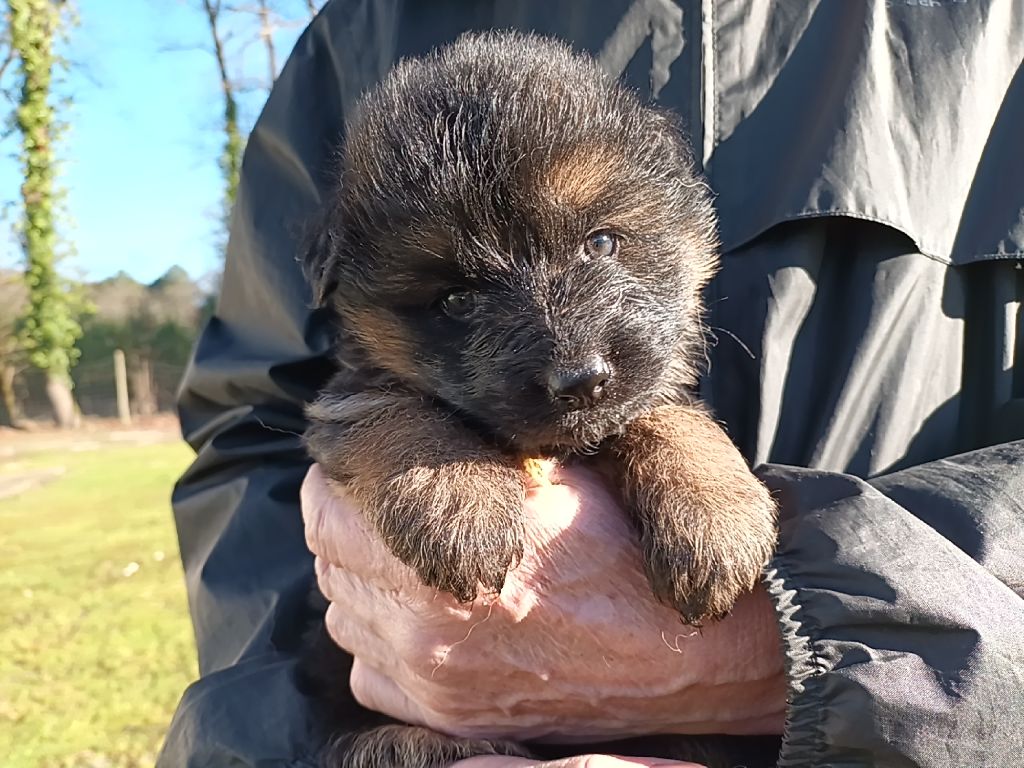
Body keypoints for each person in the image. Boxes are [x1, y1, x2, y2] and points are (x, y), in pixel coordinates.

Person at [156, 1, 1024, 766]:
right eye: (456, 297)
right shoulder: (350, 39)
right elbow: (276, 423)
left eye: (601, 245)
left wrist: (790, 642)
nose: (573, 357)